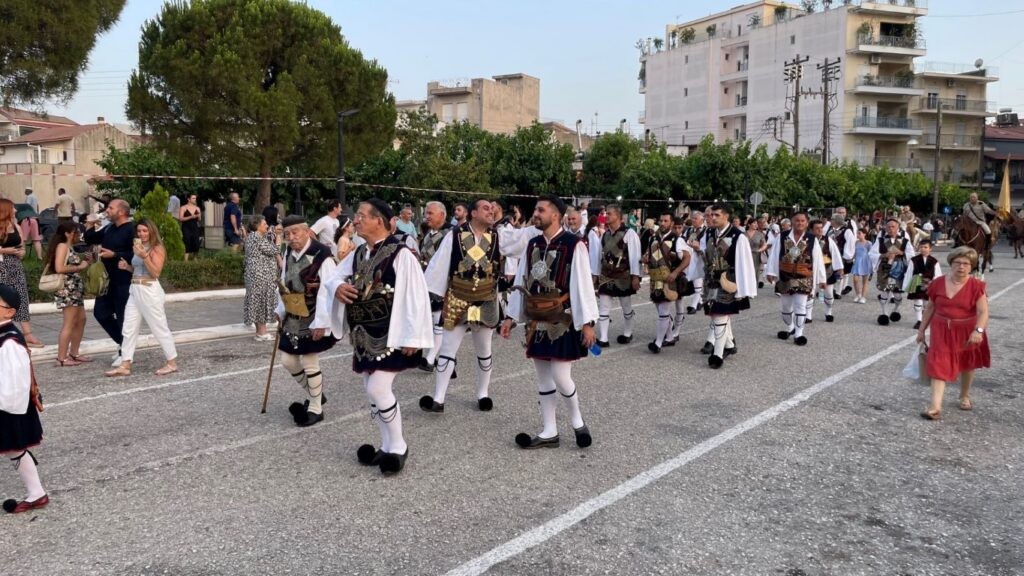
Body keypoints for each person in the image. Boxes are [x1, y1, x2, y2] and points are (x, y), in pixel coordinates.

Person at [321, 199, 433, 474]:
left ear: (378, 221)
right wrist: (337, 287)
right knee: (371, 388)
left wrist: (413, 338)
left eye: (361, 216)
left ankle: (399, 446)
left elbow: (417, 297)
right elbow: (333, 276)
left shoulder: (402, 253)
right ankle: (385, 446)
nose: (355, 220)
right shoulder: (359, 253)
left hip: (391, 334)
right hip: (363, 334)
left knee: (377, 388)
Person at [500, 195, 598, 450]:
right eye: (535, 209)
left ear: (556, 215)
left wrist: (587, 322)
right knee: (543, 378)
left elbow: (582, 283)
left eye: (540, 210)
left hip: (561, 319)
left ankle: (577, 422)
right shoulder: (532, 243)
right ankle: (549, 431)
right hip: (536, 321)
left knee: (560, 376)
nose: (536, 213)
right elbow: (521, 280)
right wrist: (511, 317)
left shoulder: (574, 244)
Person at [421, 198, 501, 413]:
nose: (491, 211)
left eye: (492, 209)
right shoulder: (455, 235)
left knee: (483, 348)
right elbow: (440, 264)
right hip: (458, 298)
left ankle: (483, 394)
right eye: (486, 208)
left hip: (483, 300)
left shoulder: (496, 236)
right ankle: (438, 399)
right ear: (473, 213)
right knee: (448, 348)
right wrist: (430, 295)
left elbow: (522, 242)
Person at [273, 215, 338, 427]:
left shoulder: (322, 256)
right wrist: (279, 311)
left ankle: (316, 408)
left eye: (295, 232)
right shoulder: (289, 253)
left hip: (312, 316)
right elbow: (285, 284)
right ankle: (316, 393)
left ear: (307, 231)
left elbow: (328, 292)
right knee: (288, 361)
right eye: (287, 234)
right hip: (293, 315)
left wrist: (321, 322)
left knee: (310, 362)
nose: (291, 238)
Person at [918, 247, 990, 420]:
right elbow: (930, 308)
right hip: (941, 329)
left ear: (971, 266)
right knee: (938, 363)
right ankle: (935, 407)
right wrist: (921, 330)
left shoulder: (976, 286)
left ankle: (964, 395)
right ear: (951, 264)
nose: (961, 267)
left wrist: (978, 330)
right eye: (957, 263)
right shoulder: (937, 283)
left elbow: (983, 312)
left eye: (966, 263)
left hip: (967, 331)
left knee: (967, 363)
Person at [105, 219, 178, 378]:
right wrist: (127, 267)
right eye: (139, 231)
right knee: (129, 327)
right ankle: (125, 364)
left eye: (145, 231)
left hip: (149, 290)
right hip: (135, 289)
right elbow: (138, 270)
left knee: (158, 326)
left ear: (151, 231)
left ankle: (172, 362)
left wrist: (144, 256)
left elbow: (156, 273)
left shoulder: (156, 248)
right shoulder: (138, 247)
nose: (142, 234)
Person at [0, 284, 48, 514]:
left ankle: (37, 493)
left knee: (14, 449)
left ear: (9, 312)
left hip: (8, 406)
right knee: (13, 450)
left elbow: (15, 384)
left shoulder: (9, 341)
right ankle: (37, 492)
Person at [699, 203, 757, 367]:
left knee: (720, 313)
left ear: (726, 216)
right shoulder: (710, 232)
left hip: (728, 280)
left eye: (717, 215)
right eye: (712, 215)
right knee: (715, 313)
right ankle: (730, 345)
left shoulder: (738, 236)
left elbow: (744, 263)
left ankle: (717, 354)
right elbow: (705, 255)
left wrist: (743, 287)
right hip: (711, 281)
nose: (713, 218)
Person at [83, 199, 135, 366]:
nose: (107, 210)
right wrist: (90, 224)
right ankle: (123, 344)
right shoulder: (109, 227)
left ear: (121, 212)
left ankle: (125, 352)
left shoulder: (131, 229)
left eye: (111, 208)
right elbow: (90, 238)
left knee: (122, 317)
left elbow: (135, 253)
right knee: (101, 313)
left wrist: (114, 255)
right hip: (106, 280)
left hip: (123, 279)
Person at [765, 212, 825, 346]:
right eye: (797, 220)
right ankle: (790, 327)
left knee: (800, 305)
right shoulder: (782, 236)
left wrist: (821, 279)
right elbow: (774, 255)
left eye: (803, 221)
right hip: (785, 275)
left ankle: (799, 334)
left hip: (804, 276)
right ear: (792, 221)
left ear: (807, 223)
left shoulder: (812, 238)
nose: (800, 223)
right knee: (786, 307)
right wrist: (770, 272)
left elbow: (818, 259)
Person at [591, 204, 641, 347]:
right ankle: (604, 338)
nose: (607, 216)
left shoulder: (629, 233)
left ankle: (628, 333)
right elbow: (599, 256)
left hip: (623, 276)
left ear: (618, 217)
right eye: (606, 213)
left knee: (625, 306)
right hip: (606, 275)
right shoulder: (605, 234)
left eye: (610, 214)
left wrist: (635, 276)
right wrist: (595, 274)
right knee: (604, 307)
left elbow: (634, 256)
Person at [46, 222, 92, 366]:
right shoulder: (62, 246)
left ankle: (74, 352)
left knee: (81, 319)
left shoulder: (69, 247)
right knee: (69, 322)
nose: (77, 235)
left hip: (74, 288)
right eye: (75, 232)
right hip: (68, 289)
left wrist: (84, 262)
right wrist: (80, 266)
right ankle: (61, 357)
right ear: (67, 233)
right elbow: (59, 267)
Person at [644, 213, 691, 353]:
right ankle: (669, 337)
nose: (663, 223)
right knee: (659, 308)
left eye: (666, 221)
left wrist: (676, 272)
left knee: (663, 310)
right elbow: (649, 254)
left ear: (671, 223)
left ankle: (658, 343)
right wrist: (646, 259)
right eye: (661, 220)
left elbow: (687, 258)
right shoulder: (654, 238)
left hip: (669, 279)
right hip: (655, 278)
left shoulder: (677, 240)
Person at [0, 199, 43, 347]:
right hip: (1, 266)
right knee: (2, 299)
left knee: (21, 296)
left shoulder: (16, 226)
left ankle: (27, 333)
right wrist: (4, 250)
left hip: (15, 265)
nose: (16, 211)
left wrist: (21, 253)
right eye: (13, 208)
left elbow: (22, 247)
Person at [416, 201, 451, 372]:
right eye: (426, 213)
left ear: (442, 215)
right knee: (430, 319)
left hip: (441, 282)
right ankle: (444, 357)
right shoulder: (428, 233)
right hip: (425, 281)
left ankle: (430, 359)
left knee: (438, 318)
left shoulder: (450, 234)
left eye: (430, 213)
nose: (426, 216)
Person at [869, 218, 916, 326]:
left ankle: (895, 309)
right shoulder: (880, 240)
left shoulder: (904, 240)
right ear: (885, 228)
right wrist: (883, 255)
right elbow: (872, 253)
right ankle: (884, 313)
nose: (890, 229)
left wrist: (902, 253)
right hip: (884, 268)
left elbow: (912, 254)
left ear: (897, 228)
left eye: (893, 227)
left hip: (899, 268)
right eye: (888, 227)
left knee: (897, 293)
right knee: (884, 290)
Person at [243, 215, 282, 342]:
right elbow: (274, 250)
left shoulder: (254, 237)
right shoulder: (256, 237)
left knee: (258, 302)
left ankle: (260, 332)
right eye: (264, 224)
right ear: (257, 225)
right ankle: (262, 332)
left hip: (257, 276)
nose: (267, 226)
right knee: (261, 302)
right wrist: (279, 237)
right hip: (260, 276)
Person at [806, 219, 843, 324]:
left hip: (827, 272)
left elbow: (835, 254)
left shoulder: (828, 240)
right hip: (810, 271)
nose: (820, 230)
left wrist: (839, 268)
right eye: (817, 228)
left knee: (829, 294)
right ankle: (808, 315)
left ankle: (828, 312)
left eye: (821, 228)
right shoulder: (807, 240)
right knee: (810, 293)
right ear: (811, 230)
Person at [904, 239, 942, 330]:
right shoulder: (914, 260)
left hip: (929, 284)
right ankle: (919, 320)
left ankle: (925, 320)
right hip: (917, 282)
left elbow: (938, 275)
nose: (923, 249)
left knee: (927, 303)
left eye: (926, 247)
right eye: (921, 247)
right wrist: (906, 286)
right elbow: (909, 273)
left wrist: (937, 285)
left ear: (930, 249)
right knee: (918, 301)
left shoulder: (934, 261)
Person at [683, 211, 708, 315]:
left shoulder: (707, 231)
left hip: (700, 259)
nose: (693, 220)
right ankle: (700, 302)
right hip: (689, 258)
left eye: (695, 219)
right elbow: (683, 241)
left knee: (697, 281)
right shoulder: (689, 230)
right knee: (691, 279)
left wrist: (699, 249)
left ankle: (693, 306)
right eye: (692, 218)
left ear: (702, 220)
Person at [19, 188, 43, 260]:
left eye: (25, 190)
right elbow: (37, 206)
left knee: (23, 239)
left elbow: (27, 206)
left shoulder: (29, 197)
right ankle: (39, 257)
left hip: (27, 219)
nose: (25, 191)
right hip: (35, 219)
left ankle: (21, 257)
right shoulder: (35, 197)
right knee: (36, 239)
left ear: (28, 191)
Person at [850, 228, 873, 304]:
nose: (857, 235)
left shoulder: (868, 243)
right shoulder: (856, 242)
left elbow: (871, 254)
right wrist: (851, 258)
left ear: (864, 234)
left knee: (864, 281)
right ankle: (858, 294)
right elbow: (854, 252)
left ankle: (863, 297)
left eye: (859, 233)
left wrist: (872, 266)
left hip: (865, 262)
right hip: (857, 262)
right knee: (855, 279)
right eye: (857, 233)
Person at [178, 193, 202, 260]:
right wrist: (191, 217)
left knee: (196, 243)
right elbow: (181, 218)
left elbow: (199, 220)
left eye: (195, 198)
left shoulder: (197, 208)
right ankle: (186, 261)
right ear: (188, 199)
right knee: (187, 242)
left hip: (195, 227)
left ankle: (195, 259)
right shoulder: (183, 207)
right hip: (186, 227)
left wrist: (199, 216)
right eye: (193, 198)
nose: (195, 199)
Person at [746, 220, 767, 288]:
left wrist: (759, 250)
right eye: (754, 223)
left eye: (756, 223)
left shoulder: (760, 234)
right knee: (746, 272)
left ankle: (753, 289)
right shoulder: (743, 234)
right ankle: (746, 288)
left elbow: (765, 245)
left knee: (755, 272)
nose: (756, 225)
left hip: (756, 255)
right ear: (749, 224)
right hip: (745, 255)